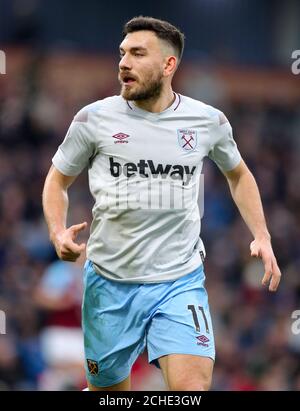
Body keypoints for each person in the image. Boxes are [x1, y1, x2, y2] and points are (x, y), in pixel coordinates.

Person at [42, 16, 281, 391]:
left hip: (178, 280)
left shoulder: (207, 121)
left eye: (138, 53)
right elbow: (57, 179)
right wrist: (56, 230)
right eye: (122, 53)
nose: (124, 62)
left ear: (169, 65)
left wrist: (262, 235)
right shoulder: (93, 118)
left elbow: (239, 174)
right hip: (108, 282)